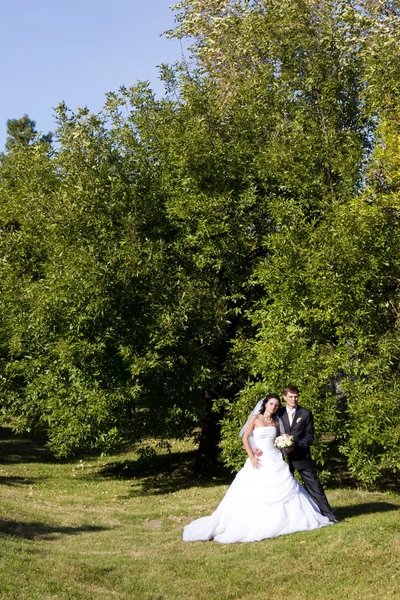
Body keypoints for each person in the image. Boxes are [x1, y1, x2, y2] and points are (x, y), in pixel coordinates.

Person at [182, 394, 333, 544]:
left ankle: (289, 520)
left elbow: (277, 440)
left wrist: (284, 445)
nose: (273, 407)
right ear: (265, 404)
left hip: (275, 458)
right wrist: (252, 453)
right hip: (260, 460)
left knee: (287, 486)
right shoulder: (255, 418)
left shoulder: (276, 423)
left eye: (276, 405)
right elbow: (245, 437)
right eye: (271, 404)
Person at [275, 385, 338, 523]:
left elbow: (310, 436)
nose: (294, 399)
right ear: (284, 397)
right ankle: (285, 519)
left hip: (301, 455)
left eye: (296, 396)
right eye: (290, 397)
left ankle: (329, 515)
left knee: (314, 486)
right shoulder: (278, 413)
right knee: (282, 488)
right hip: (281, 459)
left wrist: (295, 445)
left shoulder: (305, 413)